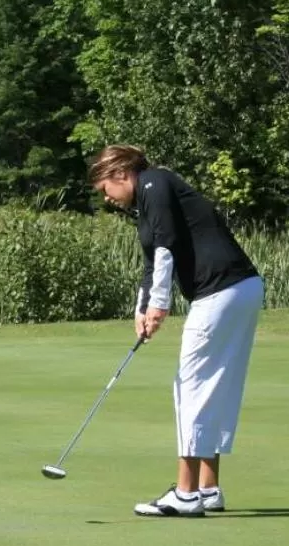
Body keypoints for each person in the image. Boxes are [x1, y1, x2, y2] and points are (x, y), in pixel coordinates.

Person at [88, 145, 264, 517]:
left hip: (220, 291)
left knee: (191, 387)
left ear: (121, 174)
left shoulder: (154, 182)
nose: (106, 198)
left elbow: (165, 245)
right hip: (240, 288)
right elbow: (153, 261)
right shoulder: (151, 198)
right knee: (214, 386)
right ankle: (208, 488)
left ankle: (185, 494)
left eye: (105, 188)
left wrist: (159, 304)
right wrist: (142, 308)